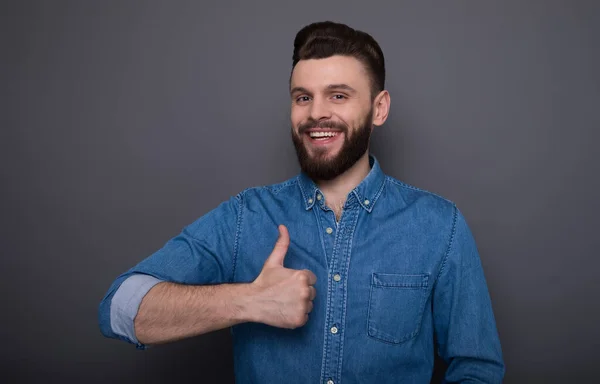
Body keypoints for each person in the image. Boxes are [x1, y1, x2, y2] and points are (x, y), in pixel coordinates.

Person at [99, 21, 505, 384]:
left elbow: (478, 369)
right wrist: (248, 301)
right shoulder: (246, 217)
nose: (317, 114)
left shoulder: (439, 225)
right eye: (302, 97)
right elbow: (119, 308)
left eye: (339, 96)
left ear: (378, 108)